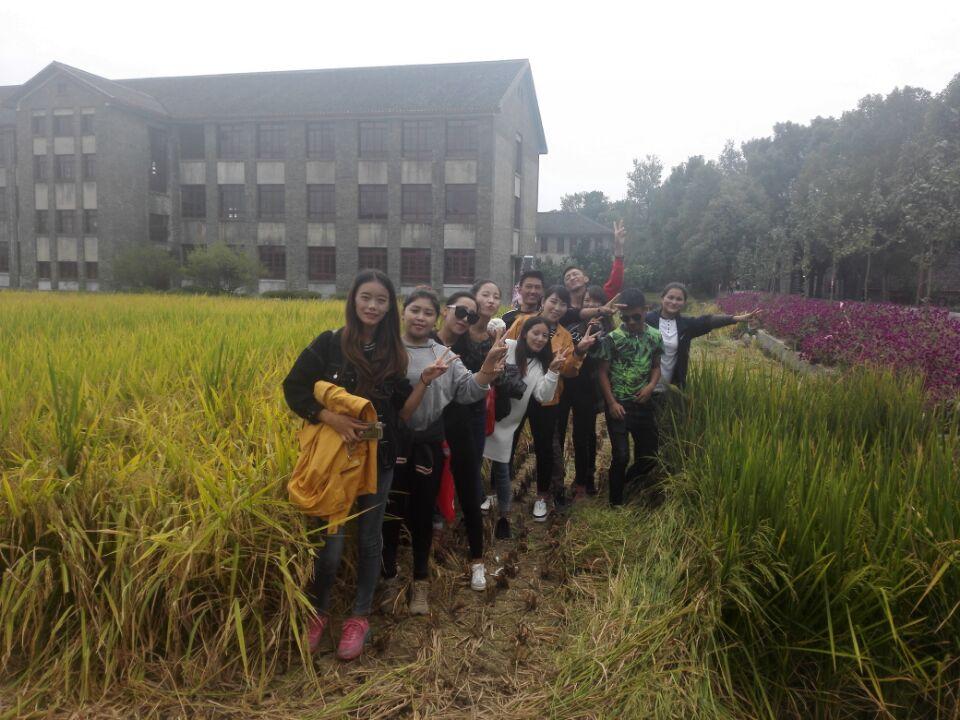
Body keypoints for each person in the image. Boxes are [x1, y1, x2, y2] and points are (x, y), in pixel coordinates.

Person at [282, 270, 435, 661]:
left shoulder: (394, 353)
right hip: (335, 458)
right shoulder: (329, 343)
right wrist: (330, 417)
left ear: (389, 308)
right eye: (366, 297)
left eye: (381, 300)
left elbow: (400, 411)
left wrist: (424, 381)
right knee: (330, 542)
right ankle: (318, 612)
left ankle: (359, 616)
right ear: (353, 300)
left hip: (378, 458)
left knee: (369, 538)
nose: (372, 306)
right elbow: (293, 388)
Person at [380, 288, 505, 616]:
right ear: (403, 312)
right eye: (414, 310)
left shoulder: (445, 355)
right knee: (390, 514)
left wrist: (487, 367)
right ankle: (388, 577)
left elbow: (468, 390)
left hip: (428, 446)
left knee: (423, 514)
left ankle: (420, 581)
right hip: (391, 445)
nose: (420, 317)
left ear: (435, 318)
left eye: (427, 313)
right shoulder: (387, 350)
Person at [504, 286, 600, 520]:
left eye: (563, 304)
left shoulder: (565, 336)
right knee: (508, 441)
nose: (557, 308)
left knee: (545, 447)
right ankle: (499, 489)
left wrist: (578, 352)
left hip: (547, 397)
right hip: (515, 394)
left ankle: (542, 495)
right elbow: (506, 350)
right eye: (553, 301)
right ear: (544, 300)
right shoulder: (523, 322)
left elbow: (568, 371)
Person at [434, 292, 500, 582]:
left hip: (460, 422)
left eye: (471, 316)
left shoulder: (467, 348)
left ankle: (477, 560)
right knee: (427, 487)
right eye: (460, 311)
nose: (465, 319)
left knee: (470, 489)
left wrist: (490, 365)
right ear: (444, 311)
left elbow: (478, 385)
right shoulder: (422, 343)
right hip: (425, 428)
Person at [484, 317, 564, 539]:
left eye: (544, 335)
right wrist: (495, 329)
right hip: (491, 412)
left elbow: (542, 395)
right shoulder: (509, 347)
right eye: (535, 333)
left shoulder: (542, 364)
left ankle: (518, 507)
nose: (539, 338)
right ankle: (489, 497)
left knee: (506, 459)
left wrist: (553, 372)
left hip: (510, 418)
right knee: (482, 456)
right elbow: (492, 330)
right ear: (524, 333)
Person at [597, 288, 664, 507]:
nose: (631, 322)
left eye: (636, 317)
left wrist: (651, 386)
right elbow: (602, 372)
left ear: (646, 310)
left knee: (649, 455)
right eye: (625, 318)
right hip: (618, 404)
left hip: (643, 403)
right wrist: (611, 403)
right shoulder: (613, 338)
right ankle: (615, 503)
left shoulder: (655, 336)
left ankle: (626, 481)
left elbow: (656, 367)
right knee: (621, 456)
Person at [644, 282, 760, 393]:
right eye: (670, 297)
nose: (674, 302)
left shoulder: (686, 325)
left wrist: (736, 318)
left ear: (684, 303)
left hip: (670, 389)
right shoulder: (646, 320)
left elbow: (708, 321)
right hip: (642, 387)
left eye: (679, 299)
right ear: (662, 298)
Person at [555, 285, 613, 499]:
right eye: (587, 300)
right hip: (563, 384)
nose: (591, 304)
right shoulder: (570, 321)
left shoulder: (607, 330)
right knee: (558, 433)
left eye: (596, 302)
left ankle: (583, 481)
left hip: (587, 387)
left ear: (603, 306)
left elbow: (600, 358)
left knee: (584, 435)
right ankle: (556, 480)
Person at [460, 279, 502, 512]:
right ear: (473, 297)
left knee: (475, 455)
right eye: (485, 295)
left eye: (495, 297)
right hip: (452, 404)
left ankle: (472, 501)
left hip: (478, 406)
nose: (491, 301)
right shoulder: (460, 330)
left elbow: (496, 376)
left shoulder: (493, 337)